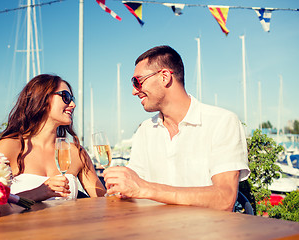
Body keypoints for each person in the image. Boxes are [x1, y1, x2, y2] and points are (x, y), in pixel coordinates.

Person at [103, 45, 250, 211]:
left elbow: (224, 199)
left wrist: (146, 188)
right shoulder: (145, 129)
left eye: (137, 81)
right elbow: (135, 186)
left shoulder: (222, 122)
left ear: (165, 77)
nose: (133, 91)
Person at [0, 74, 106, 202]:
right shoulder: (10, 146)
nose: (73, 104)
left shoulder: (76, 152)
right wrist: (37, 193)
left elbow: (102, 201)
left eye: (72, 98)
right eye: (66, 97)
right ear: (42, 98)